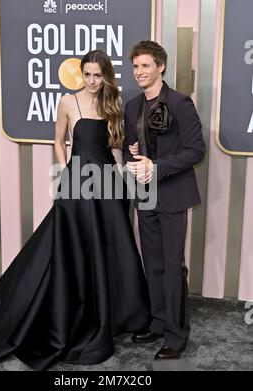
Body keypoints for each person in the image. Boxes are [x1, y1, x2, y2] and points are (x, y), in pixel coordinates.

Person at [0, 50, 150, 370]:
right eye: (87, 74)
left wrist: (126, 166)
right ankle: (78, 310)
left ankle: (121, 312)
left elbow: (114, 147)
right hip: (78, 181)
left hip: (109, 182)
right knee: (73, 244)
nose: (92, 81)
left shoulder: (112, 103)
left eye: (98, 75)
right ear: (80, 74)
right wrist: (65, 172)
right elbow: (59, 140)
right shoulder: (68, 102)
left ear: (106, 76)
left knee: (113, 245)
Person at [123, 41, 206, 360]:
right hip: (145, 195)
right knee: (153, 263)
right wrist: (134, 154)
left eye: (145, 65)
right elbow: (134, 144)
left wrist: (156, 167)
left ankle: (176, 334)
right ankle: (158, 321)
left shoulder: (181, 103)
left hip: (172, 193)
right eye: (135, 67)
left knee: (173, 266)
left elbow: (196, 150)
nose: (139, 72)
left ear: (161, 67)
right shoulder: (132, 106)